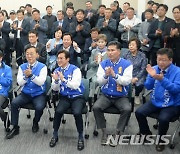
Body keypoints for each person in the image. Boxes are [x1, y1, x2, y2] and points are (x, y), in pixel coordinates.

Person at [135, 48, 180, 152]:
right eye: (158, 59)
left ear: (170, 60)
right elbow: (148, 86)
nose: (160, 62)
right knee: (139, 112)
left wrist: (162, 79)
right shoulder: (154, 68)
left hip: (172, 103)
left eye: (163, 60)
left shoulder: (178, 72)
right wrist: (151, 77)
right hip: (156, 100)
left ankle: (161, 140)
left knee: (163, 119)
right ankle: (146, 133)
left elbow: (176, 89)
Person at [93, 41, 133, 147]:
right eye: (108, 50)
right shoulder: (103, 64)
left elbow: (126, 81)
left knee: (127, 109)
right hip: (106, 95)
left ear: (119, 51)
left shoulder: (127, 64)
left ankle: (118, 132)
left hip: (121, 96)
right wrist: (106, 76)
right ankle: (104, 131)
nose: (110, 53)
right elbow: (99, 82)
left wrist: (115, 76)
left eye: (112, 50)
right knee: (96, 107)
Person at [6, 46, 47, 139]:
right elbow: (19, 82)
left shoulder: (43, 67)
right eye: (27, 54)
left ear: (37, 55)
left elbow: (41, 81)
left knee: (40, 107)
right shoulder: (22, 67)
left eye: (31, 54)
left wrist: (31, 75)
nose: (29, 56)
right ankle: (15, 127)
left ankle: (35, 122)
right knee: (14, 103)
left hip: (38, 94)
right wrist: (25, 76)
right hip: (26, 94)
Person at [49, 50, 85, 151]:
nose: (59, 60)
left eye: (61, 58)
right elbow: (55, 89)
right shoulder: (56, 70)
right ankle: (55, 134)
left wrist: (63, 79)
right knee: (58, 111)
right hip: (65, 97)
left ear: (67, 59)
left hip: (77, 96)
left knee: (77, 113)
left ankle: (80, 136)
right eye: (58, 58)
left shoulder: (75, 70)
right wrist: (56, 81)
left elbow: (75, 85)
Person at [123, 37, 147, 104]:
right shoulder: (126, 55)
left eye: (133, 45)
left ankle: (136, 95)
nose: (131, 46)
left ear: (137, 46)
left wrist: (136, 78)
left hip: (139, 74)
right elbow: (123, 66)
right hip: (128, 74)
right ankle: (126, 97)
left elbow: (143, 68)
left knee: (139, 84)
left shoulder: (142, 55)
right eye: (130, 45)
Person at [0, 50, 12, 129]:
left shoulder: (7, 69)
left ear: (0, 58)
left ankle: (5, 118)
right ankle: (4, 116)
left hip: (2, 92)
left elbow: (8, 82)